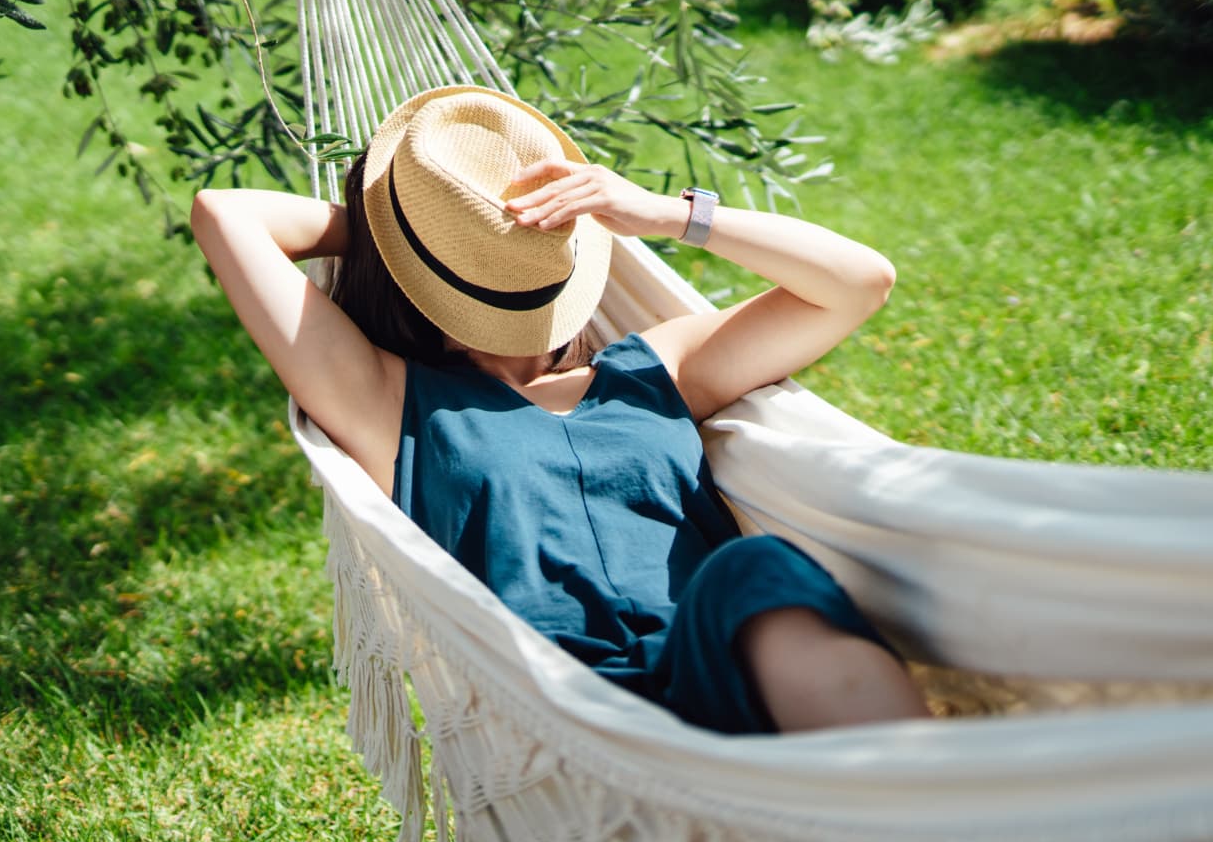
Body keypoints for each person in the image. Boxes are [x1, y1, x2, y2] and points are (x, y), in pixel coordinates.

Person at [190, 85, 927, 734]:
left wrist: (664, 214)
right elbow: (225, 215)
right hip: (565, 708)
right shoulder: (391, 403)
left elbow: (859, 282)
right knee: (755, 571)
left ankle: (920, 801)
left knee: (756, 567)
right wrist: (419, 231)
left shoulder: (652, 370)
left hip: (715, 659)